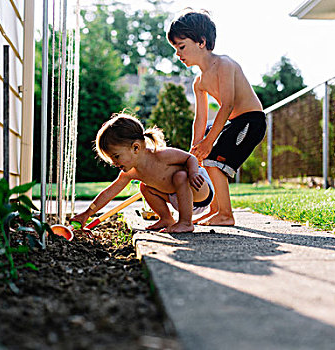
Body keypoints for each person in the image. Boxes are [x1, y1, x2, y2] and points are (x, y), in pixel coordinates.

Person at [167, 9, 266, 226]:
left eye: (181, 47)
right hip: (234, 123)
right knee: (207, 156)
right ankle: (215, 210)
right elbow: (200, 119)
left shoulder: (224, 64)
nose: (178, 54)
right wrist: (194, 150)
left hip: (251, 121)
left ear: (201, 42)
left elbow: (227, 104)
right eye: (175, 49)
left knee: (214, 160)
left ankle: (226, 214)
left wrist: (208, 142)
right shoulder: (199, 82)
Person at [70, 113, 214, 233]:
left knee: (180, 176)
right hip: (177, 198)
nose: (114, 163)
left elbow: (191, 158)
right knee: (144, 187)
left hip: (199, 190)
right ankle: (166, 218)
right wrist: (87, 214)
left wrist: (194, 173)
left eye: (116, 156)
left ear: (136, 148)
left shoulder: (161, 155)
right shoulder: (131, 173)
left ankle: (186, 223)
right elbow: (109, 193)